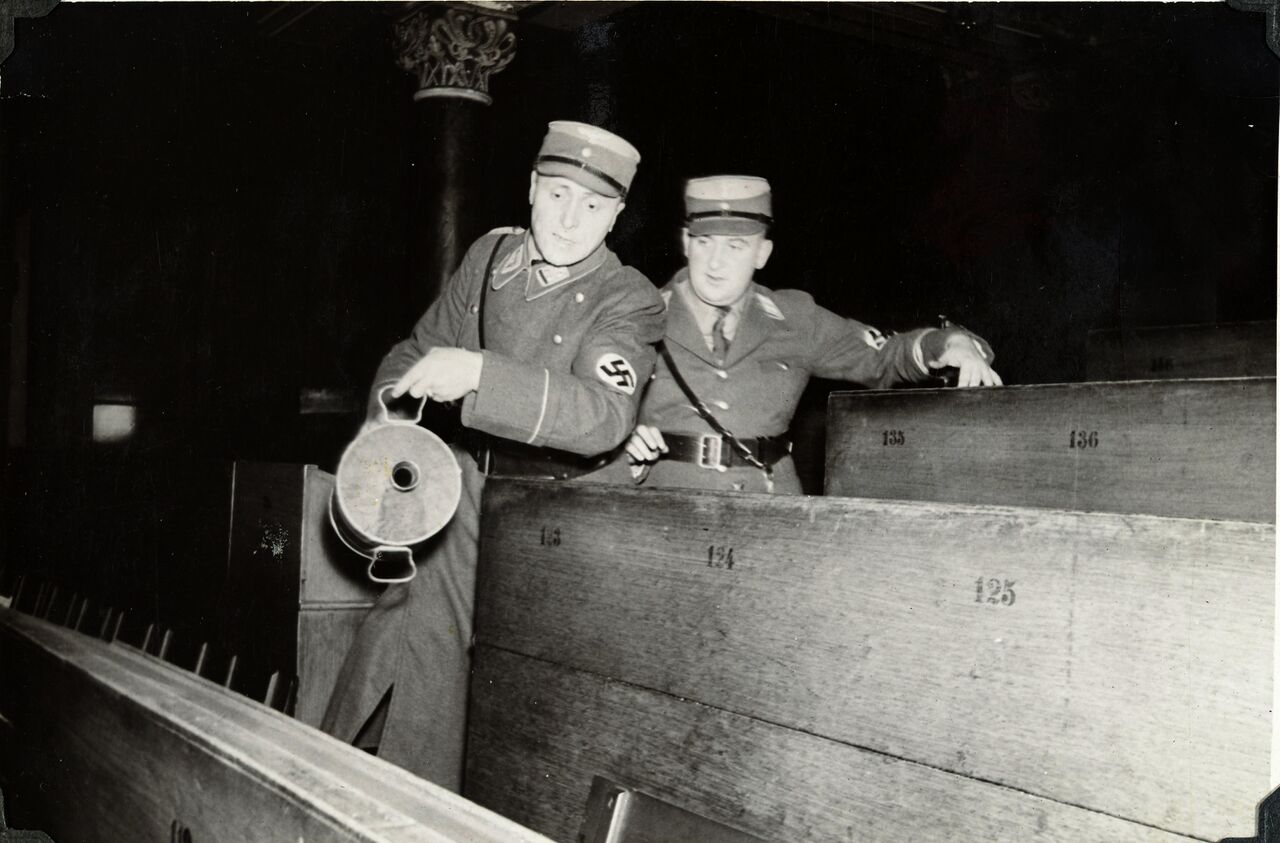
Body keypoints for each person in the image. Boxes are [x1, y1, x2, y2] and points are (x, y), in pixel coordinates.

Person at [321, 121, 665, 791]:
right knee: (407, 637)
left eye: (593, 205)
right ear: (532, 187)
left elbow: (603, 414)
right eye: (557, 194)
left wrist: (479, 373)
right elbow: (415, 350)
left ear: (617, 214)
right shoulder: (489, 256)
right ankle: (340, 783)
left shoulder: (628, 297)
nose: (569, 220)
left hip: (559, 518)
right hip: (468, 493)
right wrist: (387, 428)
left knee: (516, 703)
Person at [609, 174, 1001, 494]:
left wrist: (950, 343)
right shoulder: (636, 315)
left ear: (762, 254)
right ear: (685, 243)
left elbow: (882, 359)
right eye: (705, 242)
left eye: (736, 246)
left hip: (772, 510)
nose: (715, 263)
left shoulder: (795, 319)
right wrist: (620, 445)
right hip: (663, 509)